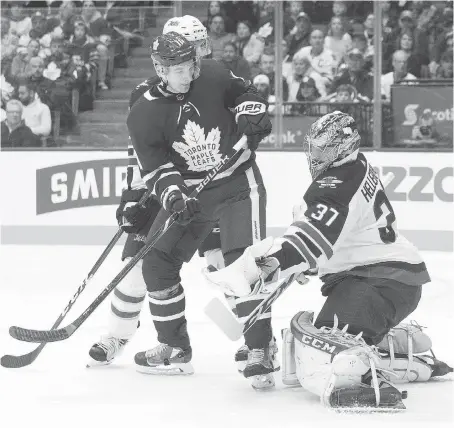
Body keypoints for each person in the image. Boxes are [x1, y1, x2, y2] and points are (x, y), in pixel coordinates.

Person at [206, 111, 452, 409]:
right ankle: (396, 349)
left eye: (324, 150)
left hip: (381, 282)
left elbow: (309, 239)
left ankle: (384, 368)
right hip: (379, 279)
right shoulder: (355, 166)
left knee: (322, 358)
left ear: (344, 147)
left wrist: (263, 265)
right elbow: (338, 237)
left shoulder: (336, 183)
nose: (315, 157)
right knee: (311, 342)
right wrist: (305, 262)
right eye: (314, 149)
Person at [89, 19, 274, 388]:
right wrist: (165, 195)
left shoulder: (214, 74)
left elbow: (243, 95)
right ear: (160, 67)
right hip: (187, 193)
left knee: (236, 266)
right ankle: (162, 345)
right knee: (147, 262)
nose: (188, 72)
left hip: (236, 184)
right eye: (178, 67)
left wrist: (252, 110)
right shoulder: (142, 107)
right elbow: (151, 163)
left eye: (191, 62)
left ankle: (258, 346)